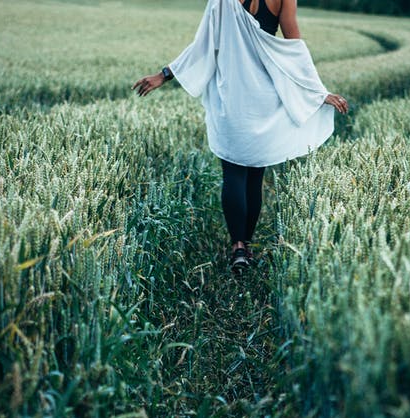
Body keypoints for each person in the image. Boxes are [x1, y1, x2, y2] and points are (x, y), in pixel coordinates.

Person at [133, 0, 350, 274]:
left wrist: (164, 75)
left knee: (233, 172)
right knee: (255, 174)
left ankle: (237, 246)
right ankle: (246, 245)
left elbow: (203, 45)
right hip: (264, 96)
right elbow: (295, 50)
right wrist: (319, 93)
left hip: (232, 95)